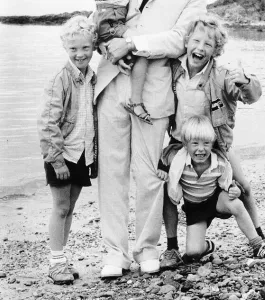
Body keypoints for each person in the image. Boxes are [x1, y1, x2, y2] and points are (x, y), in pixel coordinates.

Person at [93, 0, 207, 278]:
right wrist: (108, 47)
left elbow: (181, 39)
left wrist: (131, 45)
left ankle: (146, 249)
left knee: (149, 174)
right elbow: (97, 22)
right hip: (111, 83)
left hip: (155, 92)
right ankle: (114, 252)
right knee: (112, 172)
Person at [159, 14, 265, 270]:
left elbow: (251, 95)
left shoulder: (222, 75)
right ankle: (171, 247)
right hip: (180, 145)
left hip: (216, 146)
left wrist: (246, 81)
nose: (200, 48)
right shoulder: (172, 70)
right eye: (196, 41)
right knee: (166, 187)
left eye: (208, 45)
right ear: (187, 41)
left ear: (215, 50)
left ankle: (260, 239)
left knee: (243, 185)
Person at [157, 116, 265, 263]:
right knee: (193, 252)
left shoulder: (219, 162)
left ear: (212, 143)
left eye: (206, 144)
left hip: (215, 201)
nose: (201, 149)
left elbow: (230, 183)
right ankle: (207, 246)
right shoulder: (177, 159)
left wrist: (237, 191)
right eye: (195, 143)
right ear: (185, 144)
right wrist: (162, 169)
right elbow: (163, 157)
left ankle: (258, 245)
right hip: (194, 209)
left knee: (234, 202)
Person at [37, 15, 98, 285]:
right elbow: (48, 123)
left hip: (81, 154)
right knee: (60, 207)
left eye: (85, 47)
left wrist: (92, 157)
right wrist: (56, 160)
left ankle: (61, 257)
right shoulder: (60, 79)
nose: (80, 54)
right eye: (73, 49)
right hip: (61, 155)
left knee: (70, 208)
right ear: (65, 48)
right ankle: (55, 262)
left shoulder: (93, 78)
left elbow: (91, 120)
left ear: (94, 46)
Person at [92, 0, 152, 124]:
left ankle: (136, 102)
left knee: (140, 47)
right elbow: (93, 19)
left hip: (109, 22)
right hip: (111, 24)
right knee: (141, 46)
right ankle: (136, 102)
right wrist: (101, 44)